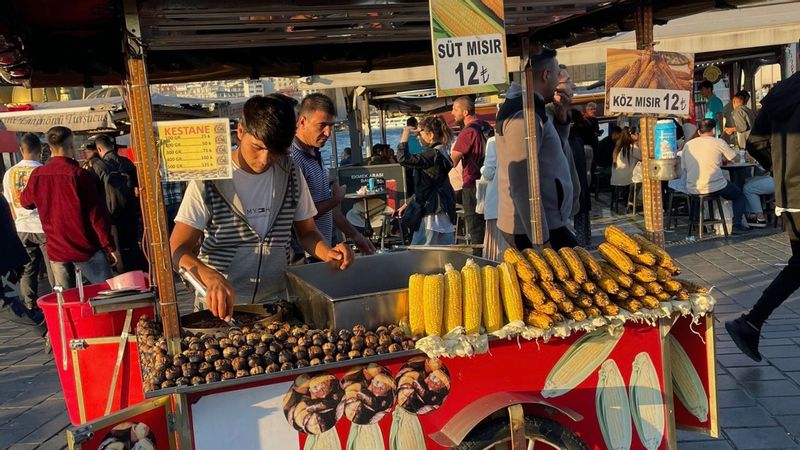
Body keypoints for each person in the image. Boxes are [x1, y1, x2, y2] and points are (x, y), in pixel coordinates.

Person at [170, 94, 354, 319]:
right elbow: (177, 249)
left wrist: (329, 252)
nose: (266, 159)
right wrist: (209, 276)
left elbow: (307, 233)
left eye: (277, 151)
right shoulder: (209, 180)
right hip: (221, 311)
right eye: (257, 147)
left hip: (275, 307)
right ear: (240, 132)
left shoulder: (291, 173)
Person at [725, 71, 800, 362]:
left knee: (798, 265)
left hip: (790, 195)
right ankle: (750, 323)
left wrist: (781, 169)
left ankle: (751, 323)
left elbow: (755, 143)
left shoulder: (781, 91)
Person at [20, 126, 118, 288]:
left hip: (56, 247)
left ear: (50, 148)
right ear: (71, 146)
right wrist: (109, 245)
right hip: (85, 247)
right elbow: (96, 215)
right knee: (105, 293)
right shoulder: (79, 175)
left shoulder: (38, 175)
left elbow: (25, 202)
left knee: (65, 301)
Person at [496, 48, 574, 250]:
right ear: (546, 75)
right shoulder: (522, 116)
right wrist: (541, 240)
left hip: (545, 222)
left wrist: (562, 116)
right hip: (533, 228)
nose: (559, 81)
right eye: (557, 74)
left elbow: (554, 151)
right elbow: (521, 183)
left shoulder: (534, 109)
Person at [290, 93, 374, 257]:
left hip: (322, 251)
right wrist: (336, 199)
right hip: (305, 255)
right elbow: (300, 216)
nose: (328, 132)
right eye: (322, 125)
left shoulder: (315, 153)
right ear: (302, 122)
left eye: (331, 126)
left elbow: (329, 210)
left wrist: (356, 235)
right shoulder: (293, 160)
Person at [2, 133, 53, 311]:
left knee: (28, 270)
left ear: (21, 150)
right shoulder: (44, 171)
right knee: (52, 268)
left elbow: (9, 203)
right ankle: (55, 302)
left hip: (21, 226)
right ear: (40, 150)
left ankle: (30, 304)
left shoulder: (9, 174)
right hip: (44, 226)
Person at [396, 115, 457, 245]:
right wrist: (409, 203)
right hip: (443, 209)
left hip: (431, 211)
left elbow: (402, 158)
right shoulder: (442, 152)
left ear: (431, 135)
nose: (418, 137)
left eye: (420, 133)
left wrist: (405, 134)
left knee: (419, 254)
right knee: (444, 252)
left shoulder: (432, 155)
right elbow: (430, 184)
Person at [681, 118, 749, 233]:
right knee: (739, 196)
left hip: (693, 187)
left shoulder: (687, 145)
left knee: (698, 196)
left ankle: (698, 224)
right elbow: (734, 158)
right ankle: (736, 224)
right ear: (713, 130)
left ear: (699, 132)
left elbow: (685, 167)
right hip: (715, 186)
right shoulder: (718, 142)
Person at [95, 134, 147, 272]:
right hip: (130, 211)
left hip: (111, 215)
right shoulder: (127, 162)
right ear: (112, 146)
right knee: (133, 245)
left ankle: (125, 277)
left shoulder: (98, 166)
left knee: (118, 249)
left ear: (99, 149)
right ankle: (142, 275)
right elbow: (139, 184)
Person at [450, 96, 486, 245]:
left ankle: (480, 260)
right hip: (488, 182)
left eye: (455, 109)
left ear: (465, 112)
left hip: (472, 183)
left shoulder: (467, 132)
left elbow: (453, 160)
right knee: (487, 225)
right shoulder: (485, 126)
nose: (452, 113)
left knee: (475, 226)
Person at [478, 135, 507, 260]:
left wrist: (482, 169)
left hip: (496, 203)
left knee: (497, 251)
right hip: (513, 204)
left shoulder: (493, 141)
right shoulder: (521, 137)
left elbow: (489, 173)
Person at [610, 127, 642, 197]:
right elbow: (642, 157)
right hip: (625, 179)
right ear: (632, 135)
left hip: (616, 178)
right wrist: (639, 141)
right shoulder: (631, 147)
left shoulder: (620, 146)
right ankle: (636, 201)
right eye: (637, 133)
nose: (639, 135)